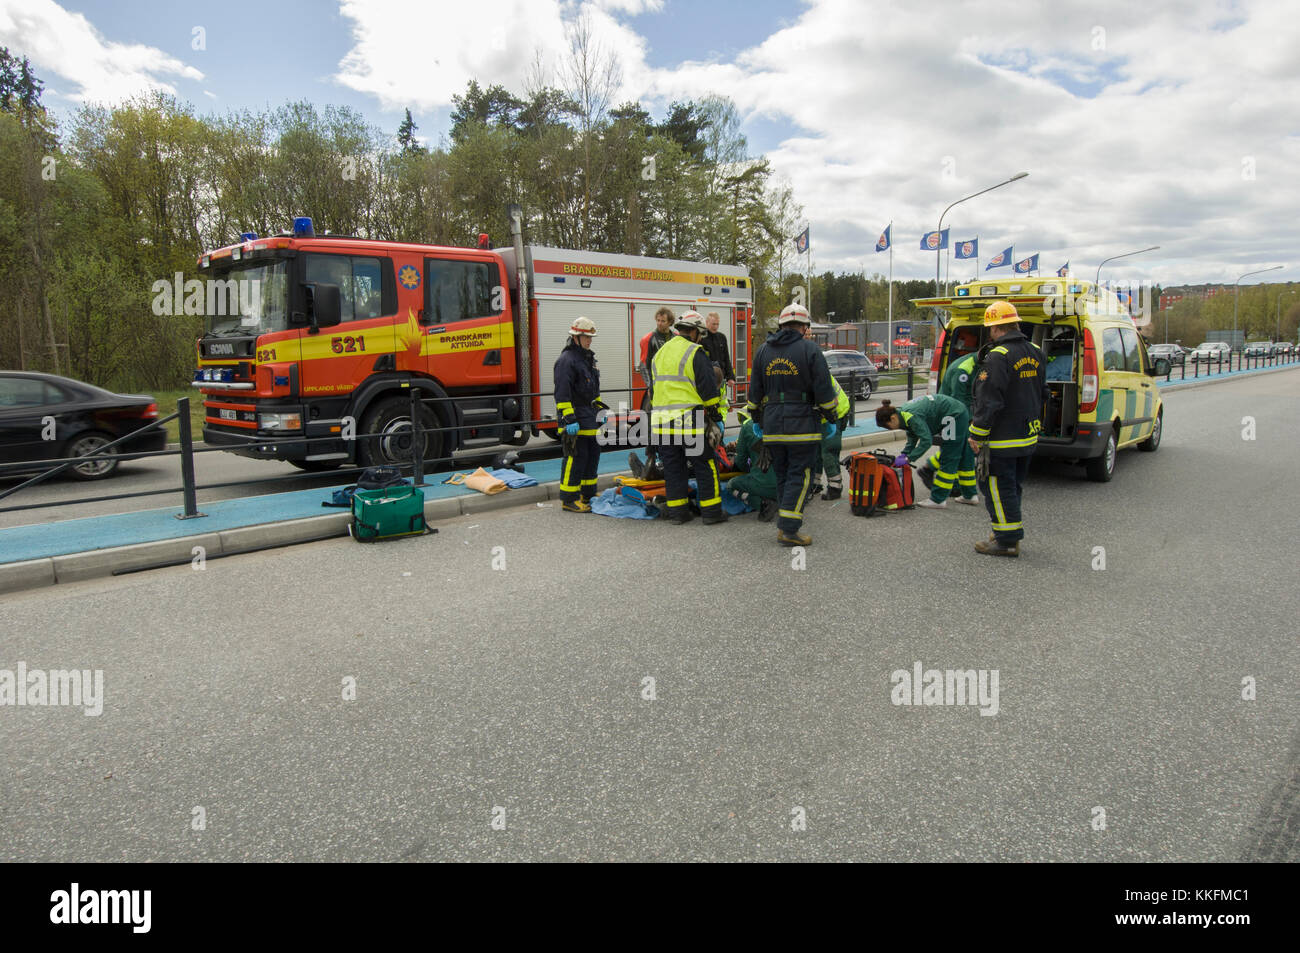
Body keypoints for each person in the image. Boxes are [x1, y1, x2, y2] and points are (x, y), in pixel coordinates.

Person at [744, 303, 838, 546]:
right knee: (801, 474)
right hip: (802, 425)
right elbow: (824, 391)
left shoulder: (763, 351)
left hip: (773, 424)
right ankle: (789, 530)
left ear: (781, 325)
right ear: (804, 327)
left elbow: (754, 395)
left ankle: (784, 524)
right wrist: (831, 417)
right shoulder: (811, 350)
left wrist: (757, 420)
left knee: (784, 474)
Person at [966, 301, 1049, 557]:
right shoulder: (1036, 351)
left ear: (994, 328)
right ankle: (1004, 531)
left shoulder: (998, 357)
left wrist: (977, 434)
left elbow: (989, 399)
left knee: (997, 488)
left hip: (1002, 438)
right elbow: (1043, 393)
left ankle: (1006, 541)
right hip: (1027, 434)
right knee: (1012, 486)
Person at [650, 310, 728, 525]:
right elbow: (708, 389)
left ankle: (678, 513)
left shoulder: (660, 353)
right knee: (705, 463)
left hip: (661, 422)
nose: (701, 337)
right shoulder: (695, 352)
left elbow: (652, 390)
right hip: (688, 419)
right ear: (693, 331)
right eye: (700, 333)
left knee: (674, 467)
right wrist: (716, 416)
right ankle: (712, 513)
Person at [875, 394, 977, 508]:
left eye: (888, 426)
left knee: (949, 457)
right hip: (958, 411)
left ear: (893, 418)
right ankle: (970, 495)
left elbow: (926, 440)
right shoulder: (903, 413)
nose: (890, 429)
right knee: (964, 454)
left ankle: (938, 500)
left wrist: (909, 458)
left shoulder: (911, 415)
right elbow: (913, 434)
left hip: (954, 415)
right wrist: (905, 452)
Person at [916, 345, 980, 500]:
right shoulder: (963, 370)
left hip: (960, 412)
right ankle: (942, 487)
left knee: (963, 450)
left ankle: (961, 489)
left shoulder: (978, 365)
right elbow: (959, 401)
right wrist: (972, 419)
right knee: (955, 450)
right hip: (952, 415)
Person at [554, 316, 603, 513]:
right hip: (575, 418)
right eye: (585, 337)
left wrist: (600, 411)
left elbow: (594, 391)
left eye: (591, 337)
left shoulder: (587, 358)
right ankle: (569, 499)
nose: (589, 341)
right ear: (576, 337)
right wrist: (569, 419)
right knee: (575, 458)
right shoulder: (567, 361)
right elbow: (562, 393)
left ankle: (588, 493)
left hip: (589, 416)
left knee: (592, 455)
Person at [801, 326, 851, 500]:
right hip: (826, 414)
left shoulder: (814, 372)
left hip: (836, 412)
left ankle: (835, 487)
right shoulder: (809, 367)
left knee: (828, 450)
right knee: (817, 450)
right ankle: (816, 484)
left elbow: (830, 400)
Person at [630, 307, 676, 479]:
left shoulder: (676, 338)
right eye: (658, 320)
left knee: (669, 426)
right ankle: (651, 458)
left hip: (672, 391)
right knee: (652, 425)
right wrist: (650, 387)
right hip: (656, 390)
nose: (660, 323)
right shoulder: (648, 339)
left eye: (663, 321)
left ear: (670, 322)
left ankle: (666, 461)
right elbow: (643, 365)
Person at [725, 410, 778, 521]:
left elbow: (741, 461)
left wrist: (748, 469)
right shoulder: (784, 419)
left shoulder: (748, 426)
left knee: (731, 485)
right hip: (788, 485)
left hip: (764, 484)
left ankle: (764, 504)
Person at [702, 312, 735, 389]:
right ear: (706, 323)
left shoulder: (721, 338)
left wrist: (730, 377)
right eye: (713, 324)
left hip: (721, 380)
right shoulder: (701, 338)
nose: (716, 327)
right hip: (707, 379)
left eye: (717, 324)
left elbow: (726, 358)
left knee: (722, 400)